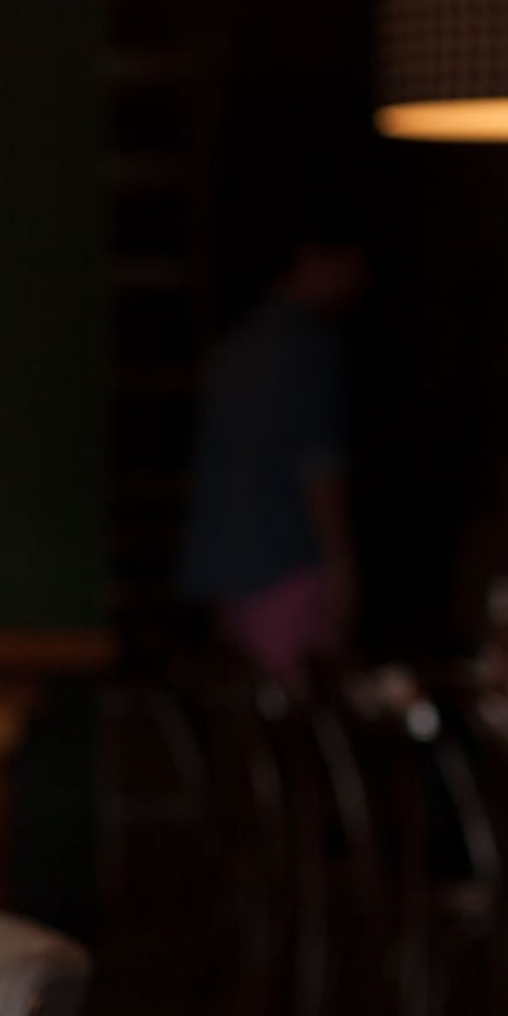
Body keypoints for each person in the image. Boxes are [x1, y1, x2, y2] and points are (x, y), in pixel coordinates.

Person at [178, 238, 366, 683]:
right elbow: (319, 467)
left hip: (228, 565)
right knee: (299, 713)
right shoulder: (305, 349)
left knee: (255, 713)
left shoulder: (234, 349)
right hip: (283, 561)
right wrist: (340, 563)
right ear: (313, 260)